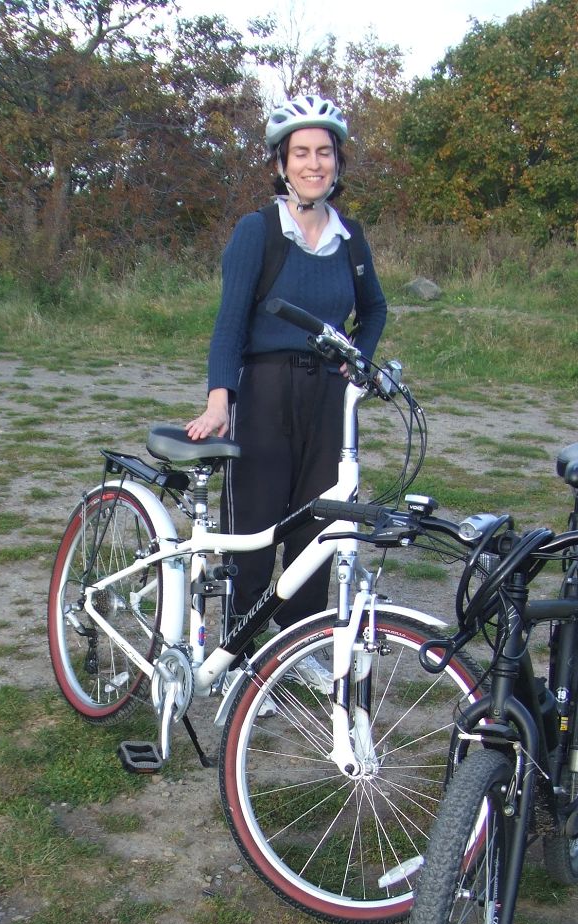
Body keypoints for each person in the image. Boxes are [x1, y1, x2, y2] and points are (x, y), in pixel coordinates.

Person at [186, 93, 387, 687]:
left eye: (324, 152)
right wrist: (220, 398)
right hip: (267, 392)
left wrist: (359, 358)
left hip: (329, 399)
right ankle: (239, 656)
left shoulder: (350, 239)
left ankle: (299, 648)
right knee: (255, 529)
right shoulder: (258, 232)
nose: (313, 163)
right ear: (281, 163)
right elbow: (230, 322)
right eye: (301, 153)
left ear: (338, 163)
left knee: (318, 527)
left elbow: (374, 309)